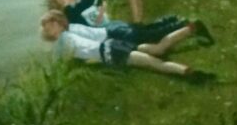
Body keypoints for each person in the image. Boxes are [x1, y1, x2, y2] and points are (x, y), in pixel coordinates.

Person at [39, 10, 216, 82]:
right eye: (47, 29)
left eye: (51, 26)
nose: (50, 31)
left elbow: (66, 58)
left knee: (155, 63)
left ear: (59, 24)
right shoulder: (69, 34)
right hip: (113, 45)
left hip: (112, 52)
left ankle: (192, 74)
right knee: (157, 50)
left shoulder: (65, 39)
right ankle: (191, 28)